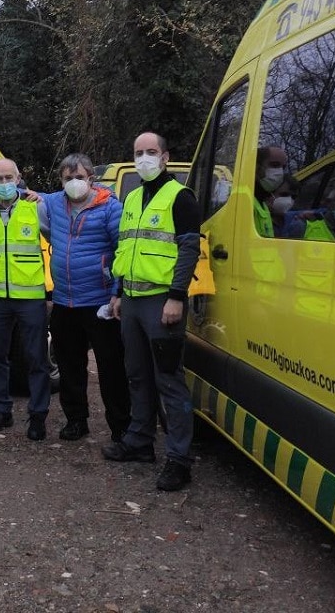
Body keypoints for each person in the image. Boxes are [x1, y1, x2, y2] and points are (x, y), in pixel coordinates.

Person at [102, 132, 201, 492]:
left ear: (165, 156)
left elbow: (189, 251)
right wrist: (117, 294)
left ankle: (179, 459)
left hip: (163, 303)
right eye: (138, 152)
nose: (144, 158)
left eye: (150, 152)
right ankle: (139, 443)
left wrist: (177, 296)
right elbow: (125, 249)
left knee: (169, 381)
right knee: (138, 375)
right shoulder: (130, 198)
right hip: (130, 300)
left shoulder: (181, 197)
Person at [39, 153, 130, 443]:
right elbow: (26, 194)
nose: (74, 182)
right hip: (66, 302)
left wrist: (118, 291)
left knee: (110, 367)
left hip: (100, 301)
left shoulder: (110, 208)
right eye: (68, 178)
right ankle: (76, 420)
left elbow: (123, 251)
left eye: (79, 177)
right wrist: (2, 191)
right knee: (69, 366)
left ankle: (120, 426)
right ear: (61, 181)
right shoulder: (54, 203)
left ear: (91, 177)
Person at [0, 159, 51, 441]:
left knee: (36, 358)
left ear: (19, 179)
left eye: (8, 177)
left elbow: (57, 237)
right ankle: (1, 410)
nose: (4, 183)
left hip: (30, 296)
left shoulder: (35, 206)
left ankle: (38, 415)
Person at [253, 146, 289, 237]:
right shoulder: (244, 201)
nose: (280, 172)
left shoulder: (262, 203)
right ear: (257, 167)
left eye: (283, 167)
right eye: (275, 165)